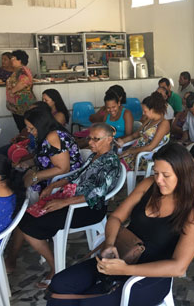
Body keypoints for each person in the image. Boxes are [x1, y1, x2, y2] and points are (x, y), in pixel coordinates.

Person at [46, 143, 194, 305]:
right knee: (59, 284)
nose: (159, 180)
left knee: (89, 303)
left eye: (166, 175)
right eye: (156, 173)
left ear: (183, 174)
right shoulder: (149, 185)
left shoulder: (192, 212)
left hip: (151, 277)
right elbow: (116, 217)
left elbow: (178, 267)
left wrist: (126, 270)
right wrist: (109, 244)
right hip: (122, 255)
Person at [14, 123, 121, 287]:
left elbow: (98, 193)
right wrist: (52, 186)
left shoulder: (110, 161)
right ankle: (54, 261)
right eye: (90, 138)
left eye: (96, 139)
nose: (90, 142)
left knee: (30, 226)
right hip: (73, 199)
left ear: (109, 140)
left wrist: (63, 202)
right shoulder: (95, 155)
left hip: (89, 209)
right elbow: (76, 175)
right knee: (26, 218)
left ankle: (55, 268)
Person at [19, 107, 82, 192]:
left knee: (21, 188)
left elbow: (63, 169)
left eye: (31, 128)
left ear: (41, 125)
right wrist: (27, 163)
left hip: (63, 181)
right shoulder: (43, 134)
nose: (28, 131)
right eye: (27, 127)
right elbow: (45, 159)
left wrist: (35, 176)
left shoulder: (53, 137)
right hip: (52, 176)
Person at [116, 92, 170, 171]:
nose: (143, 113)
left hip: (146, 155)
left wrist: (131, 151)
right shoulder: (149, 120)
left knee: (119, 165)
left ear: (152, 110)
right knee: (115, 161)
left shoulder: (163, 123)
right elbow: (135, 135)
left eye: (145, 111)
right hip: (136, 151)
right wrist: (122, 141)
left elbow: (151, 147)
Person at [6, 49, 37, 132]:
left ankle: (27, 143)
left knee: (25, 128)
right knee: (23, 128)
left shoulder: (22, 70)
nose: (11, 61)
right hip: (19, 106)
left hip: (22, 106)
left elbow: (24, 82)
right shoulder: (18, 70)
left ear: (19, 60)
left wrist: (12, 91)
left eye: (13, 59)